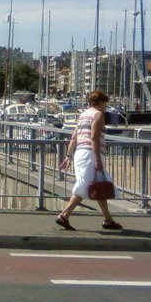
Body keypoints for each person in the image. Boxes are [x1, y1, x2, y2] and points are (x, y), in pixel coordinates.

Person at [56, 90, 122, 231]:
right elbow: (94, 138)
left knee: (98, 185)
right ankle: (64, 215)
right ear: (99, 102)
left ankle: (108, 219)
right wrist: (97, 159)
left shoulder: (83, 114)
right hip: (90, 154)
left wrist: (68, 156)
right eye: (105, 102)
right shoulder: (98, 115)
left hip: (81, 153)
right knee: (85, 185)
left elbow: (74, 137)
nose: (106, 105)